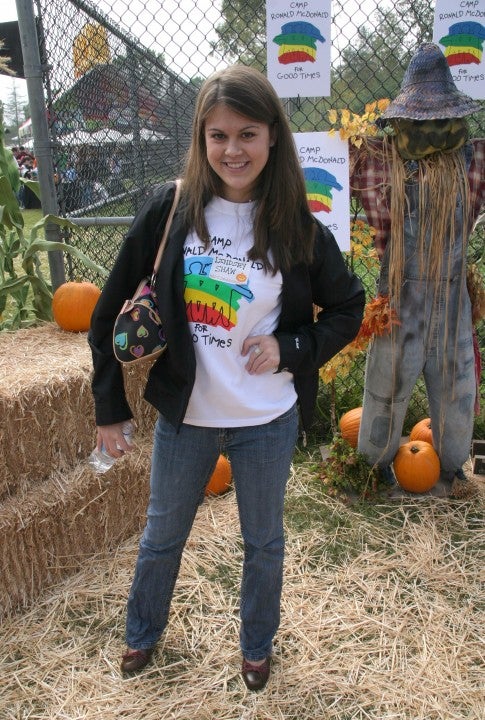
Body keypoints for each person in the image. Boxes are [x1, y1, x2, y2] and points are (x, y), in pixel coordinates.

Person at [88, 65, 365, 689]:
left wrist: (292, 346)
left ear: (272, 137)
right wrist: (109, 406)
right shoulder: (171, 211)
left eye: (247, 134)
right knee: (162, 536)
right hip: (187, 418)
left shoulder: (295, 225)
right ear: (201, 138)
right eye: (218, 135)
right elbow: (105, 314)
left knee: (263, 542)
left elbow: (349, 306)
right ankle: (141, 635)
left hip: (266, 419)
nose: (233, 150)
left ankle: (256, 648)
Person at [350, 43, 484, 496]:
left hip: (452, 302)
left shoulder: (474, 163)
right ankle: (374, 467)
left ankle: (451, 471)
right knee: (385, 387)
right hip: (398, 303)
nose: (430, 131)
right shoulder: (377, 162)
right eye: (422, 121)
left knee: (456, 389)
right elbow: (324, 162)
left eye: (439, 121)